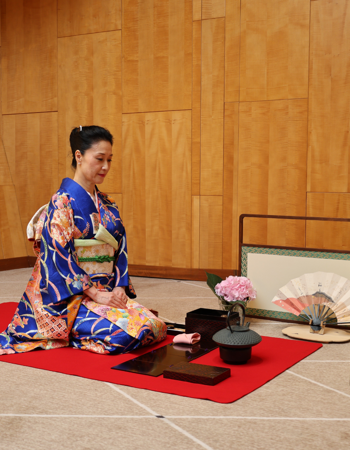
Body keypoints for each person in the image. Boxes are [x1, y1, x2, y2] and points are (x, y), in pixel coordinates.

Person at [0, 125, 167, 355]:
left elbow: (120, 248)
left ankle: (95, 322)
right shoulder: (61, 203)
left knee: (155, 327)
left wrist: (119, 287)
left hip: (106, 291)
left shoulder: (107, 204)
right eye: (99, 159)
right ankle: (74, 334)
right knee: (128, 335)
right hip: (71, 298)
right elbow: (58, 256)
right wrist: (95, 294)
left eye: (109, 159)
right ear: (79, 156)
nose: (105, 166)